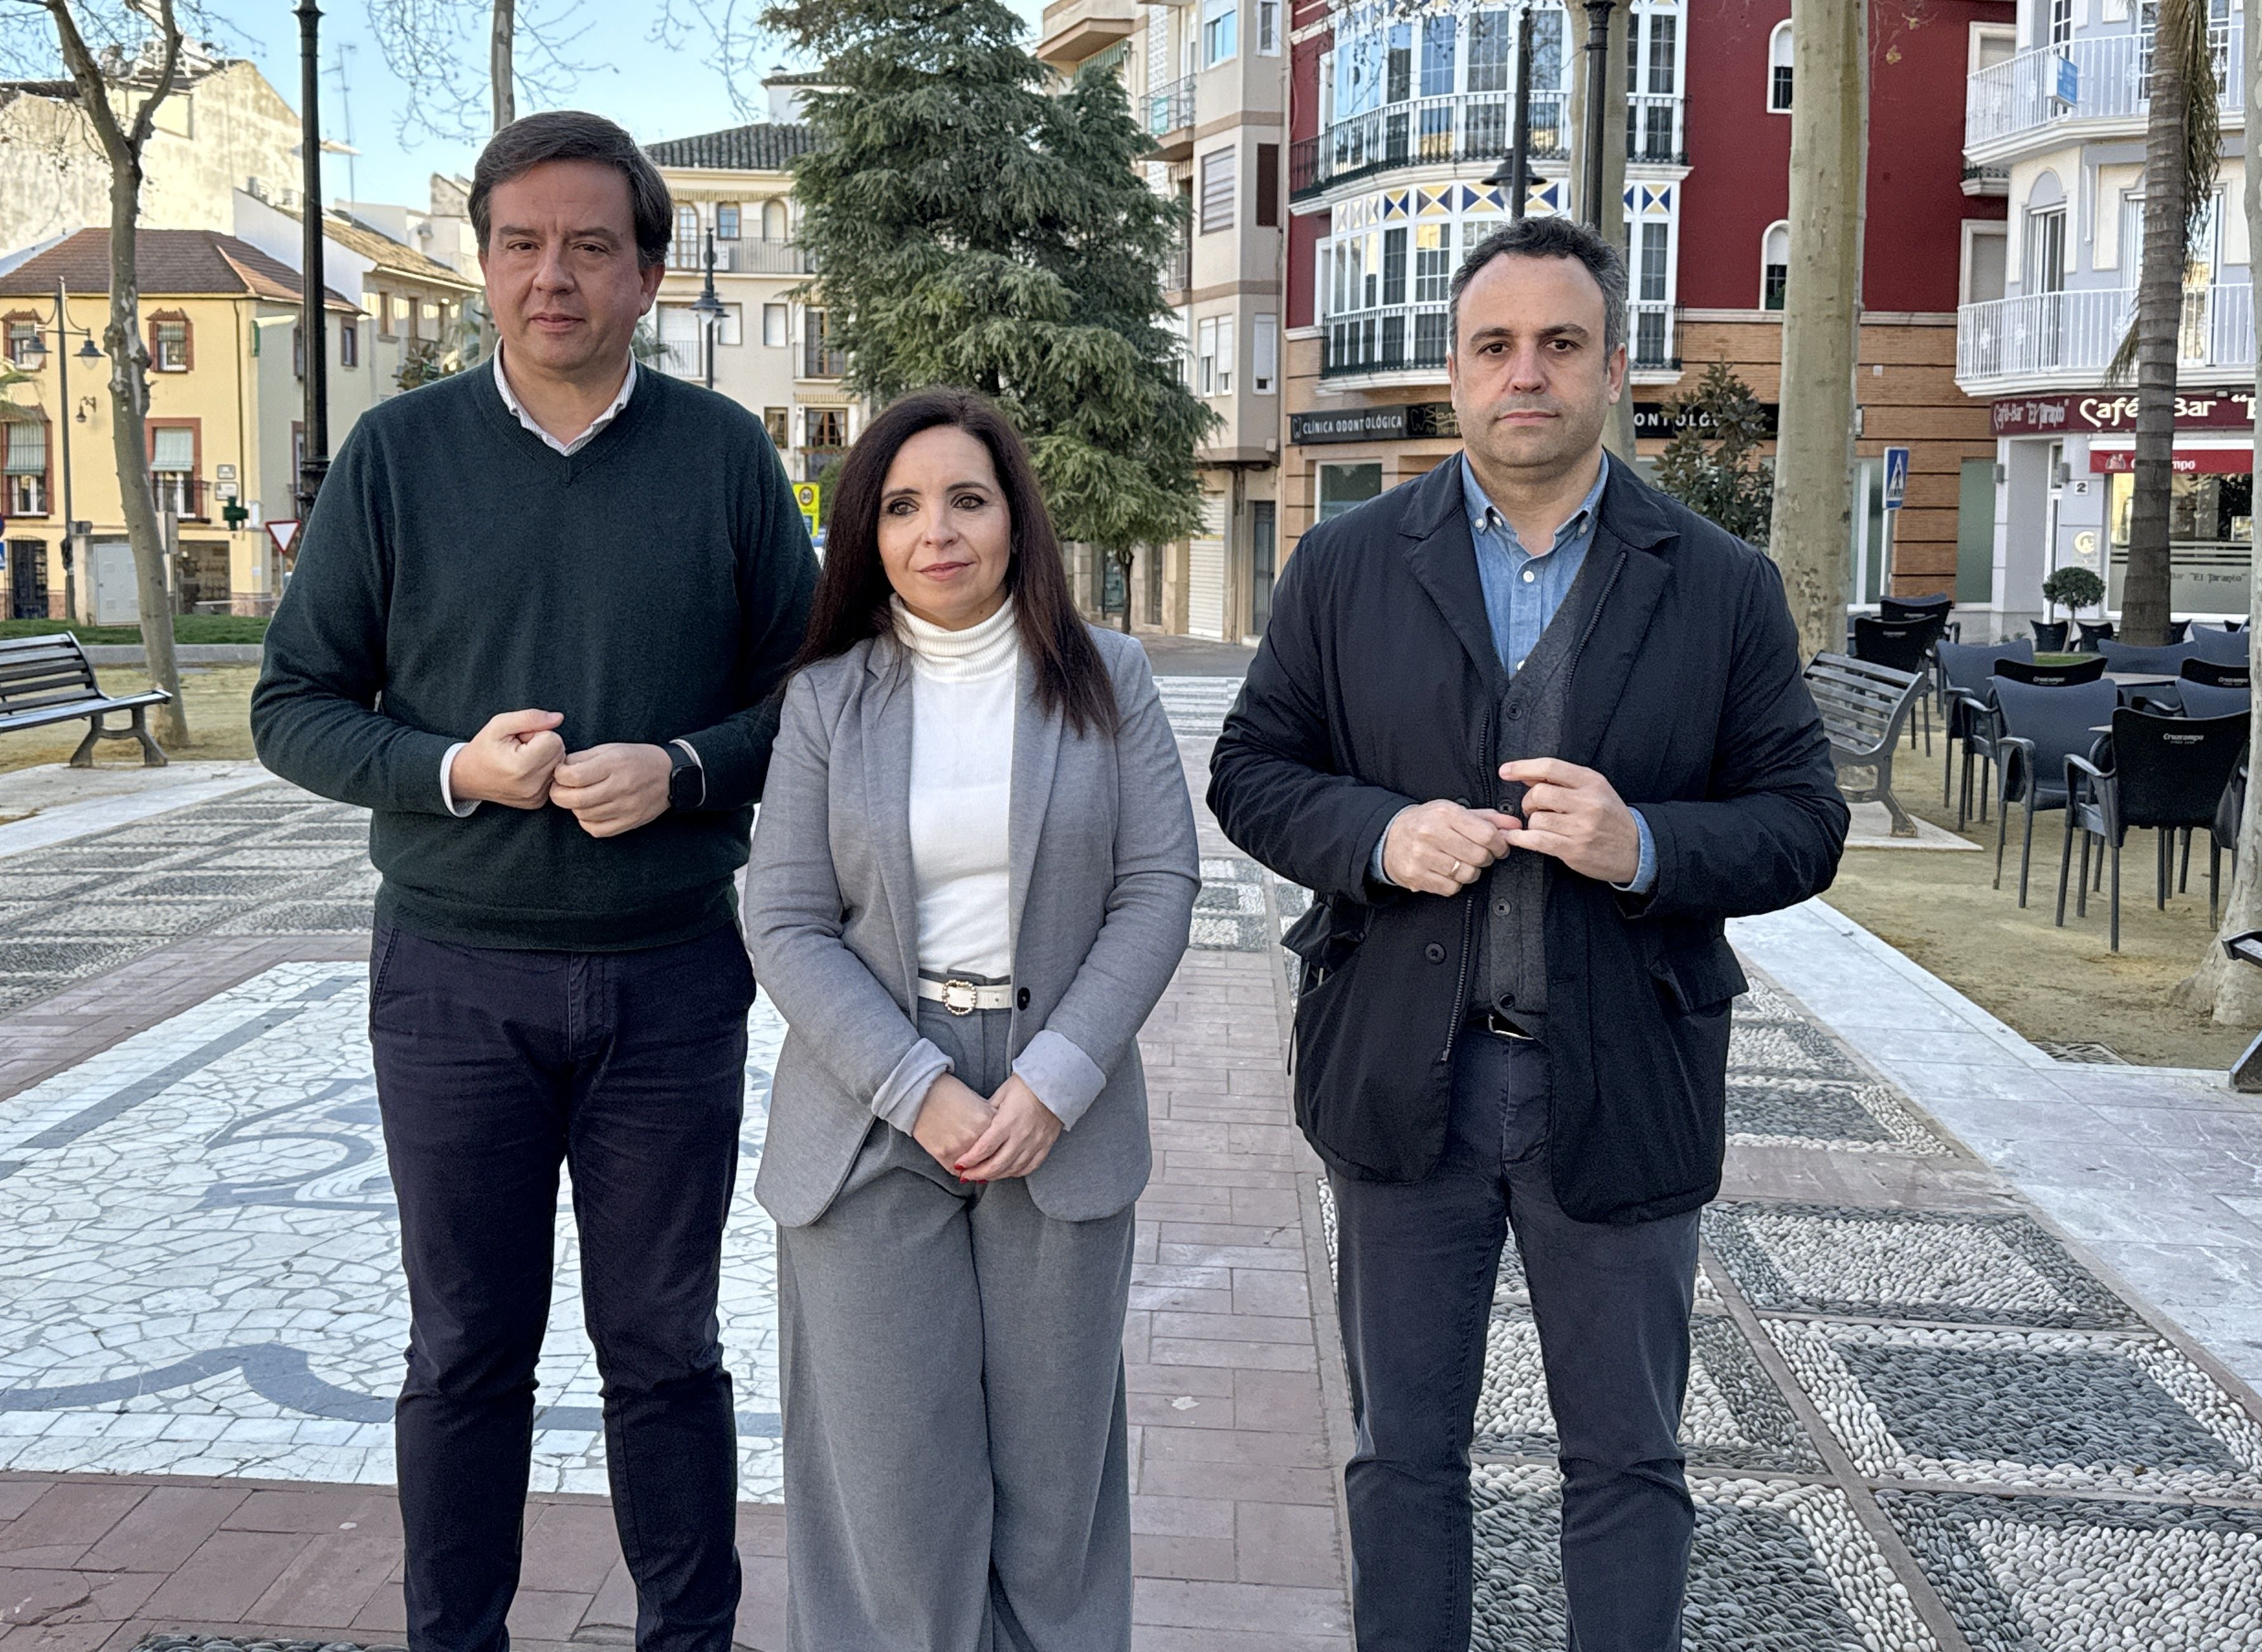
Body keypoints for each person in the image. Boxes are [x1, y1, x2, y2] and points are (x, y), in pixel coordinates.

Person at [1207, 215, 1846, 1652]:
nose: (1528, 375)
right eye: (1496, 347)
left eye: (1561, 344)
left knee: (1626, 1461)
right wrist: (1377, 835)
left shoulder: (1721, 584)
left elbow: (1806, 823)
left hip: (1621, 1079)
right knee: (1401, 1457)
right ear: (1455, 371)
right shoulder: (1348, 564)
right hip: (1401, 1077)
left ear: (1616, 366)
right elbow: (1250, 771)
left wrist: (1651, 846)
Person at [250, 111, 816, 1652]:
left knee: (664, 1350)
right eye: (518, 246)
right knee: (467, 1350)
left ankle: (685, 1639)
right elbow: (292, 703)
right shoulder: (398, 457)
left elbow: (816, 700)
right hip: (450, 977)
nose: (548, 277)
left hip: (672, 980)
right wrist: (450, 769)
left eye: (587, 248)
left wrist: (688, 770)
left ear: (648, 272)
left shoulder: (723, 459)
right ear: (483, 264)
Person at [743, 386, 1199, 1652]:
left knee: (1054, 1499)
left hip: (1055, 1111)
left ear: (1015, 521)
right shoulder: (832, 699)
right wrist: (917, 1086)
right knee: (893, 1494)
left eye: (966, 499)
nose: (936, 530)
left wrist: (1057, 1076)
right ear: (866, 534)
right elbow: (782, 918)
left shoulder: (1108, 679)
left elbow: (1160, 883)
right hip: (874, 1109)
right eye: (900, 506)